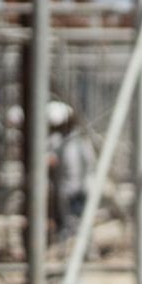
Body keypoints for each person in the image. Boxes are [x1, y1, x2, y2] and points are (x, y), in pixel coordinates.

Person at [46, 101, 94, 244]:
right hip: (81, 186)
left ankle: (72, 251)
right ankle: (83, 250)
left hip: (71, 188)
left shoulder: (64, 141)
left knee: (72, 222)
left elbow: (51, 161)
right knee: (80, 221)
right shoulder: (80, 139)